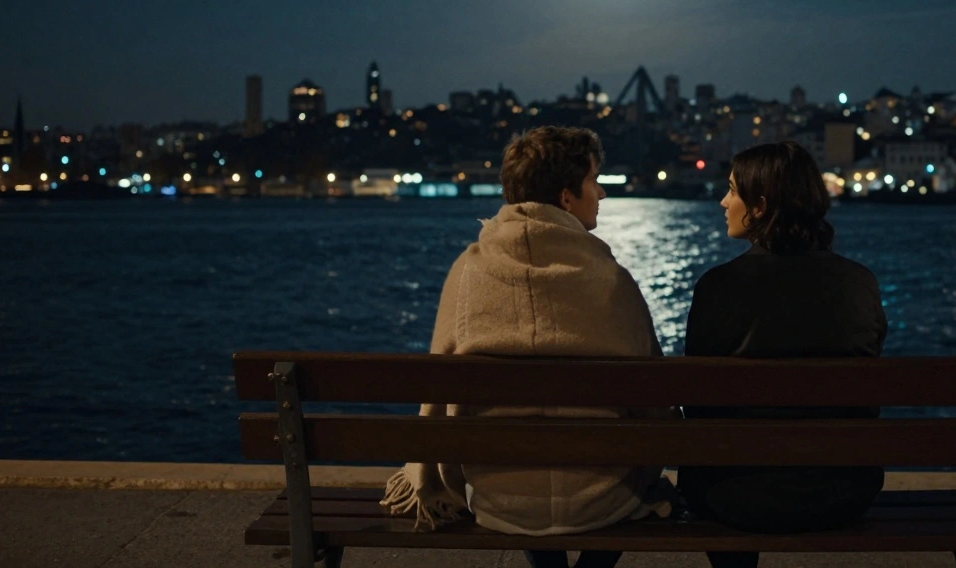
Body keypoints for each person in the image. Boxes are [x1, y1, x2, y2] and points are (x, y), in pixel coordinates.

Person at [379, 126, 671, 568]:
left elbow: (438, 396)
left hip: (500, 499)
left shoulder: (467, 273)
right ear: (566, 198)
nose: (602, 194)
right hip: (602, 498)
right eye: (594, 181)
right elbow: (654, 402)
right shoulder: (613, 283)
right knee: (634, 494)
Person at [678, 141, 888, 568]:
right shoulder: (859, 283)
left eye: (732, 190)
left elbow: (697, 402)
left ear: (759, 205)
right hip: (845, 492)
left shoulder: (718, 287)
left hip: (736, 496)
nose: (723, 201)